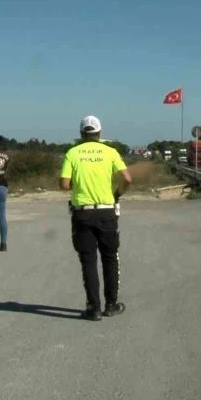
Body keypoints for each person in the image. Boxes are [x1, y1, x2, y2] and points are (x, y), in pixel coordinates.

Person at [59, 115, 132, 321]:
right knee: (110, 258)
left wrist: (77, 186)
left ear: (81, 134)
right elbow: (127, 178)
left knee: (88, 261)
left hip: (82, 213)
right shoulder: (110, 152)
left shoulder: (72, 153)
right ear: (99, 133)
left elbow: (64, 184)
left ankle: (94, 308)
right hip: (107, 212)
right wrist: (117, 194)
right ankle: (111, 304)